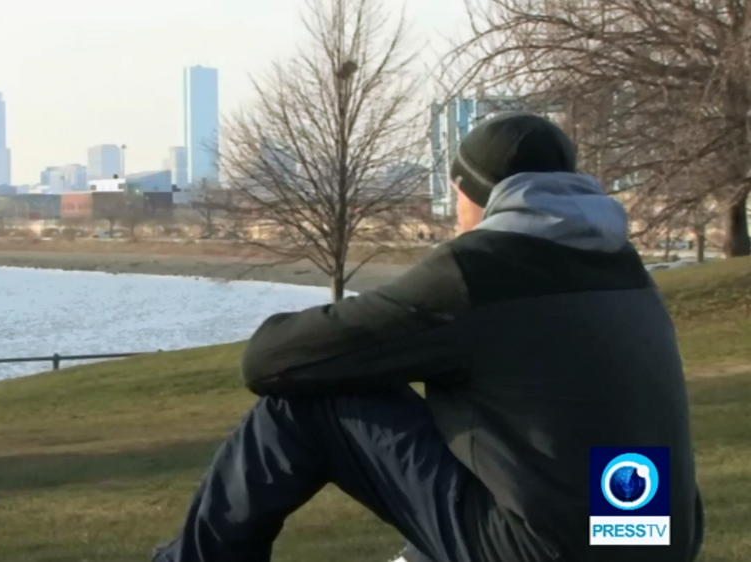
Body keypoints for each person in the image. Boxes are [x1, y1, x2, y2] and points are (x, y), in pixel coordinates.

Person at [150, 112, 704, 562]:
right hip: (648, 538)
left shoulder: (478, 269)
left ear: (472, 193)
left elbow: (268, 360)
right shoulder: (626, 268)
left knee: (305, 406)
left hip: (547, 551)